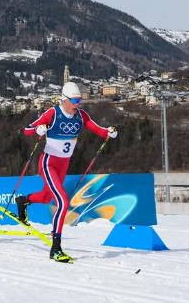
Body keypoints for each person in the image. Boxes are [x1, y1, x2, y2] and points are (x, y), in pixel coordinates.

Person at [16, 82, 117, 263]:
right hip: (48, 164)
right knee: (62, 200)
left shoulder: (81, 115)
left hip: (64, 165)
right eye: (75, 100)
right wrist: (38, 129)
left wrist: (108, 132)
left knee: (47, 197)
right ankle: (56, 249)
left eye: (80, 100)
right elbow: (27, 130)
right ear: (64, 99)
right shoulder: (53, 113)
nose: (78, 103)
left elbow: (96, 128)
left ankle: (23, 200)